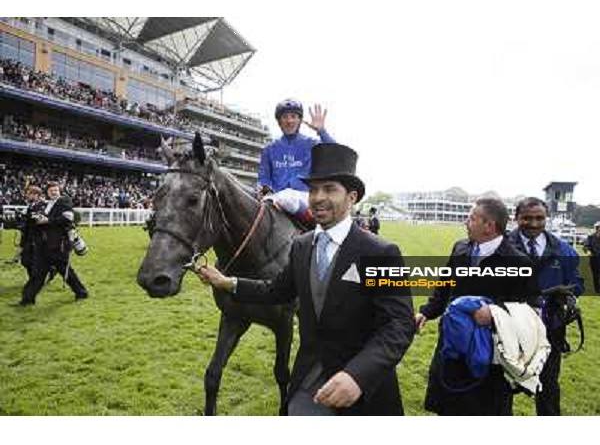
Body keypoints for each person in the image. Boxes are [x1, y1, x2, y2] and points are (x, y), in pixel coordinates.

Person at [198, 143, 416, 415]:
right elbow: (275, 291)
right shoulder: (301, 246)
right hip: (306, 384)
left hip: (363, 392)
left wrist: (358, 376)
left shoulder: (382, 253)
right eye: (313, 190)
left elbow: (399, 325)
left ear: (352, 197)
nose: (318, 197)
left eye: (329, 189)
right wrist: (228, 282)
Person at [415, 197, 538, 416]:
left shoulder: (519, 262)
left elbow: (527, 311)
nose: (465, 222)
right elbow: (444, 287)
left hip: (489, 356)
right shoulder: (460, 248)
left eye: (471, 218)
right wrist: (426, 312)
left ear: (489, 226)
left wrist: (494, 313)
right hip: (453, 346)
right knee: (449, 408)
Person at [507, 198, 584, 416]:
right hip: (509, 329)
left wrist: (569, 296)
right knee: (502, 387)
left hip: (551, 329)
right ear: (516, 218)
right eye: (527, 218)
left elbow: (577, 283)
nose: (533, 223)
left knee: (548, 386)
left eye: (539, 218)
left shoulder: (565, 250)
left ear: (546, 218)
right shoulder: (501, 247)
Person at [257, 99, 335, 220]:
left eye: (293, 116)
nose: (289, 121)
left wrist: (321, 131)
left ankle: (315, 223)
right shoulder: (269, 149)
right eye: (285, 117)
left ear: (299, 120)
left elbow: (336, 152)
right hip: (277, 198)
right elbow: (264, 178)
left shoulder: (311, 144)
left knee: (287, 197)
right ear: (279, 121)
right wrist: (263, 187)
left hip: (304, 197)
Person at [19, 182, 88, 306]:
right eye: (51, 190)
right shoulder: (45, 204)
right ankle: (27, 299)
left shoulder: (64, 201)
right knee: (38, 274)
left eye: (55, 190)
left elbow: (67, 218)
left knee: (66, 272)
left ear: (59, 191)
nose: (53, 192)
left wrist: (47, 220)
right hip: (45, 245)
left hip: (59, 245)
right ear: (47, 192)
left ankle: (81, 292)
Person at [19, 185, 46, 279]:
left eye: (28, 193)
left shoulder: (42, 206)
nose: (26, 195)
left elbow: (40, 221)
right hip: (28, 236)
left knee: (32, 260)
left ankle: (35, 278)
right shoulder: (30, 205)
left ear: (36, 195)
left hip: (38, 238)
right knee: (25, 260)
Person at [583, 222, 600, 293]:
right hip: (595, 260)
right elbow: (586, 246)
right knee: (596, 275)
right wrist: (588, 251)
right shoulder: (590, 237)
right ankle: (597, 289)